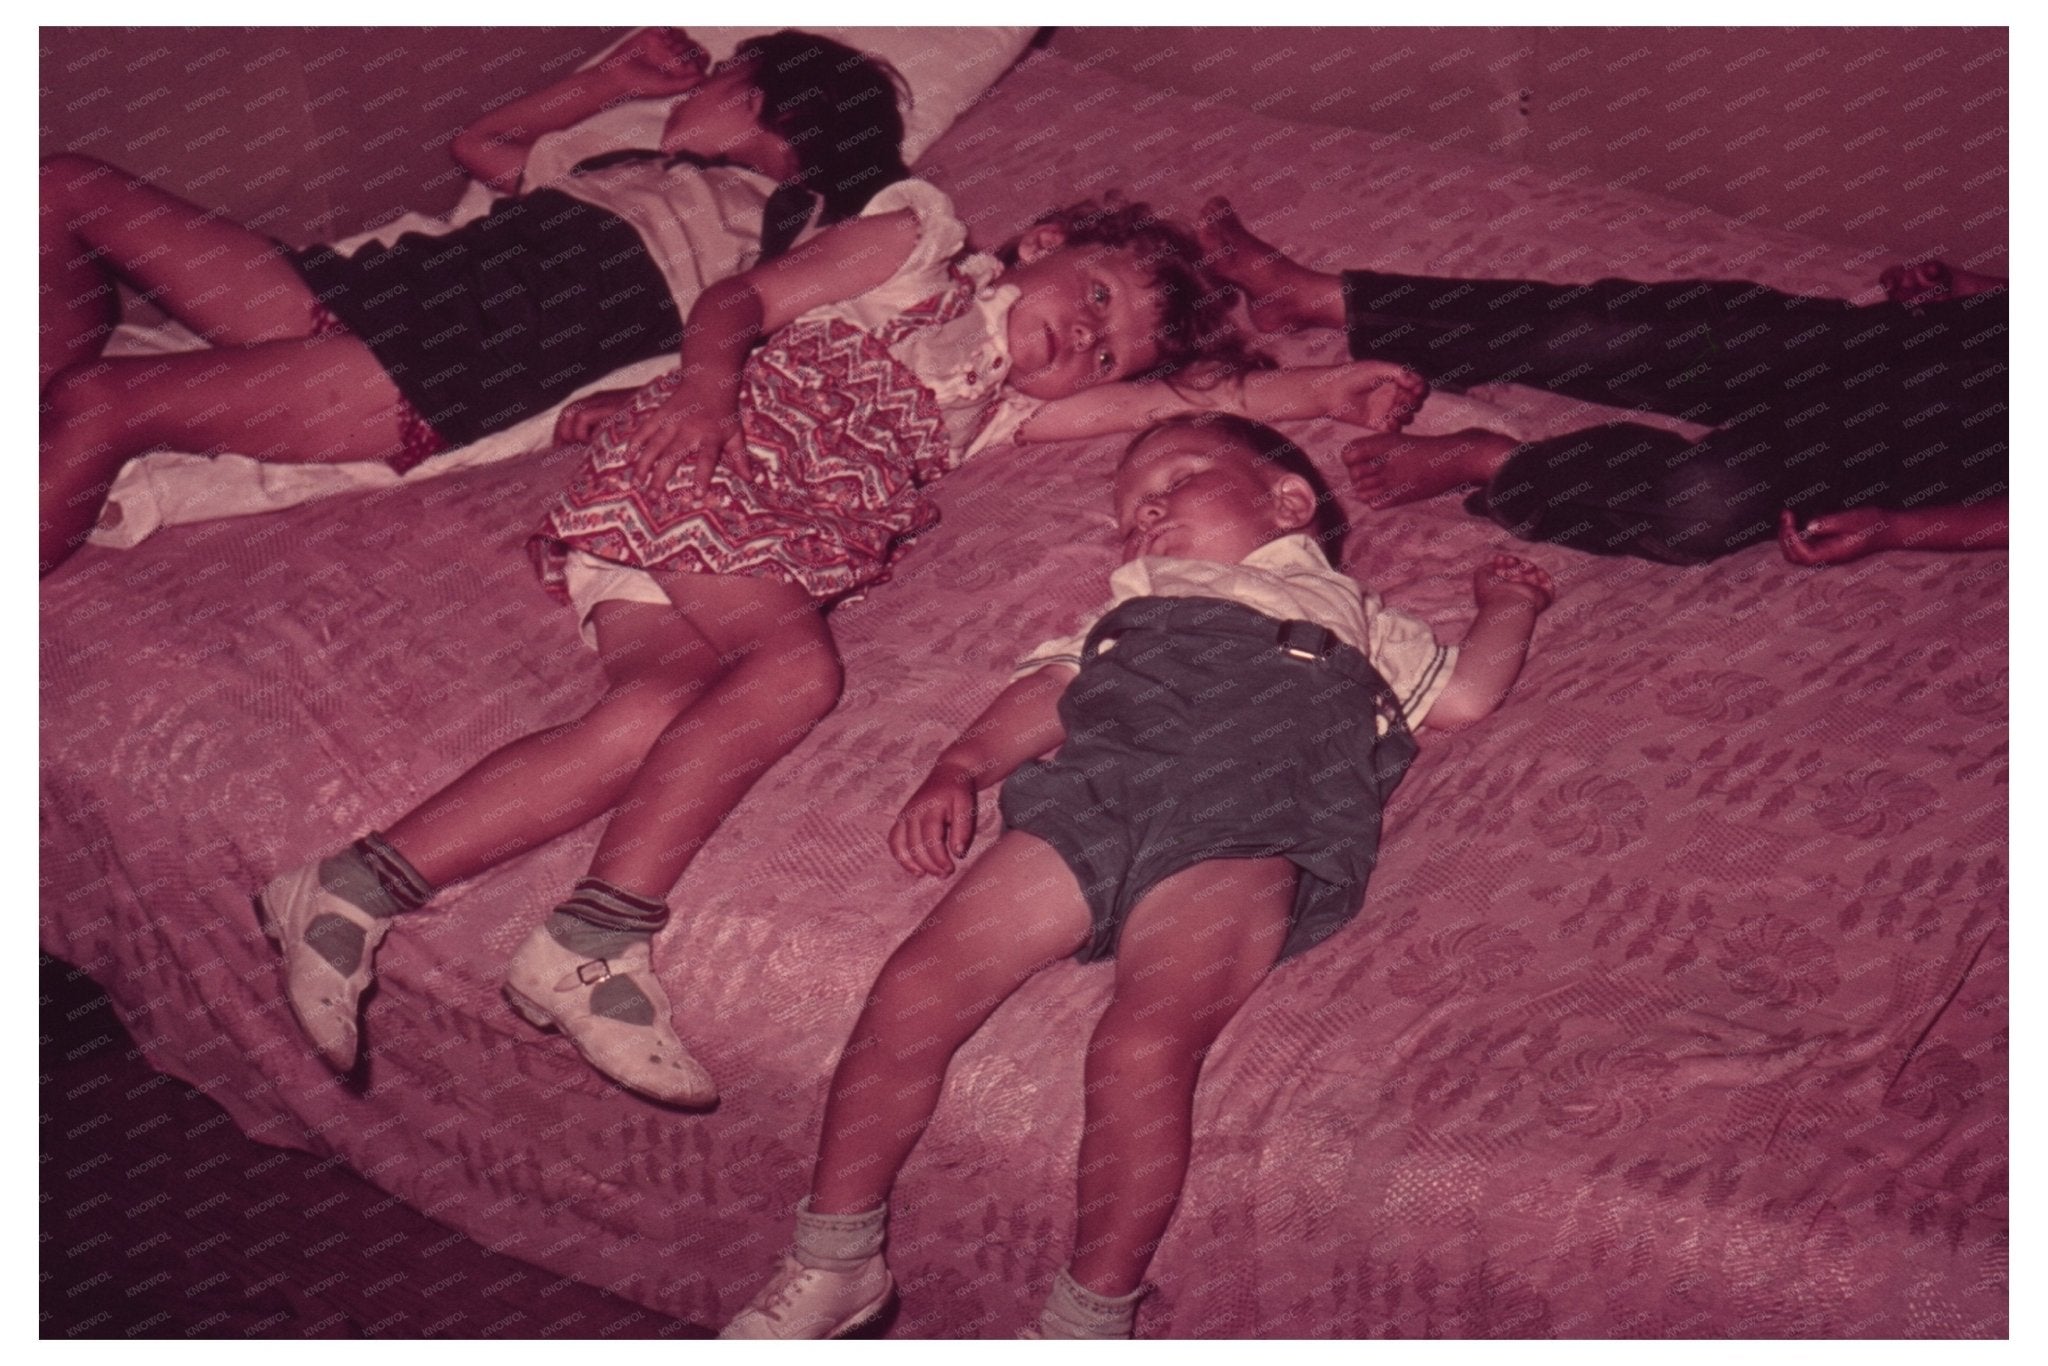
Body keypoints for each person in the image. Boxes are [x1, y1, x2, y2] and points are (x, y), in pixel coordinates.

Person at [254, 184, 1427, 1108]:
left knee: (653, 716)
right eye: (1100, 294)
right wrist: (707, 394)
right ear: (1046, 241)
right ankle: (597, 933)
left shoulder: (999, 406)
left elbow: (1149, 418)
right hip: (701, 464)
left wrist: (1324, 394)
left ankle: (351, 882)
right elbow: (736, 301)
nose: (1086, 340)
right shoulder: (913, 250)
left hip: (727, 540)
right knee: (795, 670)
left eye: (1109, 349)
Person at [720, 412, 1554, 1339]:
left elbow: (1465, 697)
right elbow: (1050, 694)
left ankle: (1087, 1319)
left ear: (1287, 502)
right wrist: (959, 765)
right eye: (1128, 512)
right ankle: (835, 1259)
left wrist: (1504, 607)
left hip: (1253, 821)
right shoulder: (1128, 605)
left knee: (1141, 1045)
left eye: (1176, 480)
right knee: (916, 985)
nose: (1146, 514)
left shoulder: (1356, 616)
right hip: (1100, 794)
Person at [39, 29, 911, 574]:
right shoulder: (625, 167)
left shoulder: (792, 224)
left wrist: (674, 389)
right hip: (373, 287)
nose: (694, 88)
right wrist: (612, 82)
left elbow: (803, 331)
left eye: (719, 76)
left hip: (446, 360)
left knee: (104, 401)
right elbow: (481, 145)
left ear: (766, 103)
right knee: (64, 186)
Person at [1195, 198, 2009, 568]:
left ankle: (1496, 463)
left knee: (1700, 502)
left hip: (1911, 448)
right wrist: (1970, 289)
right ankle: (1318, 296)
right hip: (1878, 344)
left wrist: (1902, 530)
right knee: (1614, 329)